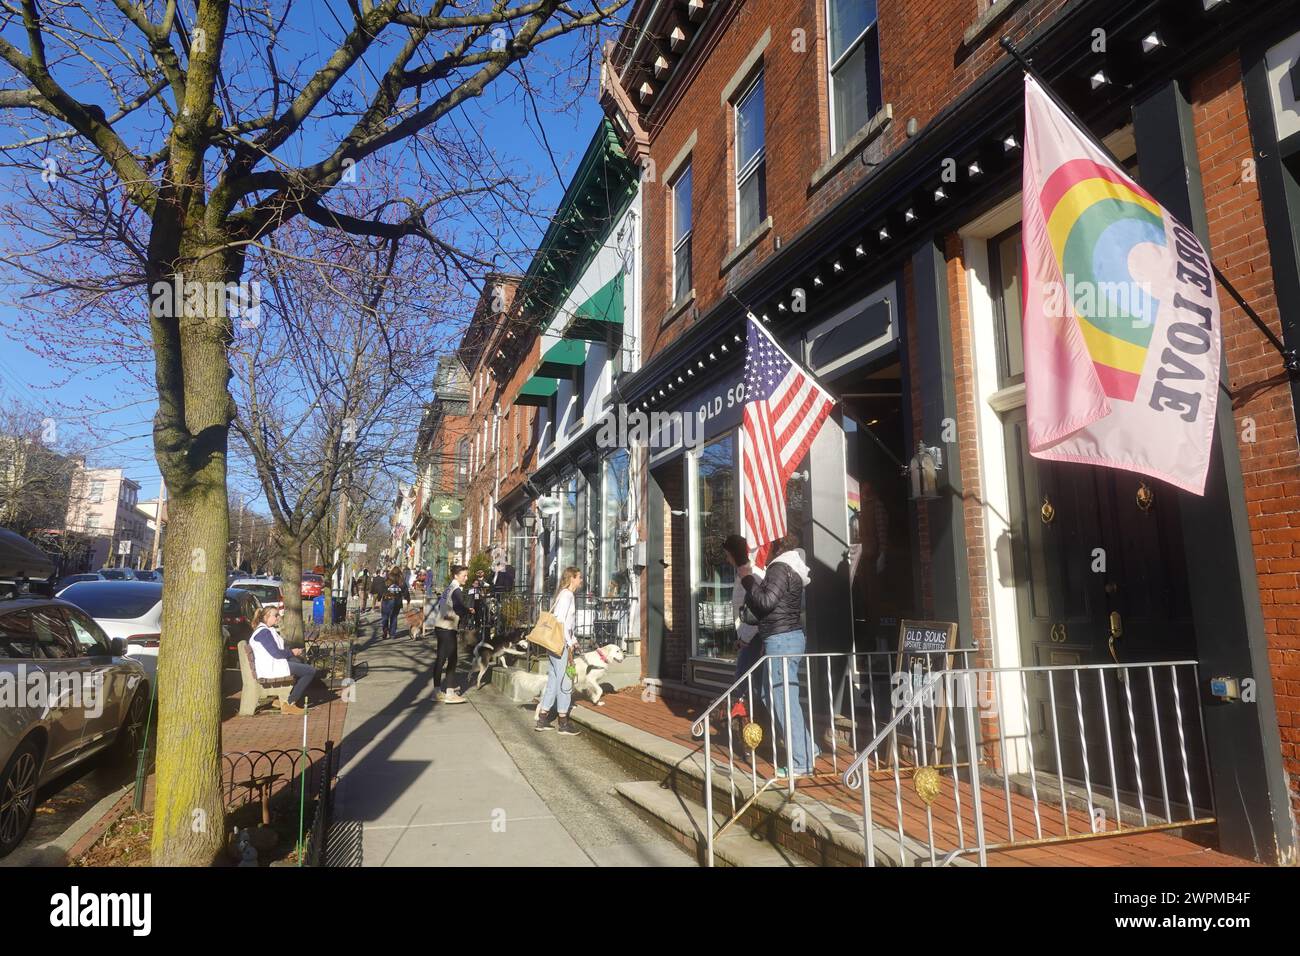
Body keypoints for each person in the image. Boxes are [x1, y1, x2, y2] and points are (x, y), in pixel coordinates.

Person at [741, 534, 817, 778]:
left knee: (783, 698)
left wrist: (748, 580)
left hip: (782, 639)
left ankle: (801, 761)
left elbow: (765, 601)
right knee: (772, 693)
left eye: (764, 544)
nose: (761, 549)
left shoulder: (779, 567)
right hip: (783, 637)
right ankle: (807, 748)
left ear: (774, 545)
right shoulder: (788, 567)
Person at [535, 566, 582, 736]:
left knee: (554, 681)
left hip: (555, 644)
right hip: (560, 645)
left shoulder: (563, 594)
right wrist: (569, 643)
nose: (581, 580)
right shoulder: (567, 595)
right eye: (579, 577)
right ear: (572, 579)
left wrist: (574, 639)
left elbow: (566, 624)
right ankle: (563, 722)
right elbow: (561, 621)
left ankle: (542, 718)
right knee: (565, 682)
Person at [723, 534, 765, 722]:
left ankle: (752, 725)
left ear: (733, 553)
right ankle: (751, 724)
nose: (726, 558)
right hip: (747, 637)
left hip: (753, 637)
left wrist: (745, 638)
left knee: (744, 680)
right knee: (748, 680)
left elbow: (756, 610)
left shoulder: (751, 574)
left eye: (727, 554)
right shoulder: (742, 573)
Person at [248, 606, 319, 715]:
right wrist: (292, 652)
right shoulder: (264, 633)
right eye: (275, 615)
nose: (278, 617)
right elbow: (276, 653)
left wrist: (292, 653)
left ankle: (284, 699)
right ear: (266, 617)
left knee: (298, 662)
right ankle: (290, 703)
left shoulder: (265, 630)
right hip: (271, 668)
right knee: (310, 671)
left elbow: (276, 651)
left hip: (272, 665)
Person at [430, 566, 470, 704]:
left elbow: (444, 605)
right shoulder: (456, 590)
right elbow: (459, 608)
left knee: (440, 659)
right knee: (452, 660)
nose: (466, 578)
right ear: (456, 576)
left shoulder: (448, 588)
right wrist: (468, 611)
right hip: (448, 627)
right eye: (464, 575)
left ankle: (437, 691)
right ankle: (450, 692)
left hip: (440, 625)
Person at [379, 568, 409, 640]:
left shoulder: (387, 579)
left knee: (385, 617)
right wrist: (408, 599)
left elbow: (382, 589)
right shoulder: (402, 581)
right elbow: (405, 591)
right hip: (397, 601)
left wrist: (379, 598)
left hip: (386, 600)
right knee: (394, 617)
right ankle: (392, 634)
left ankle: (385, 631)